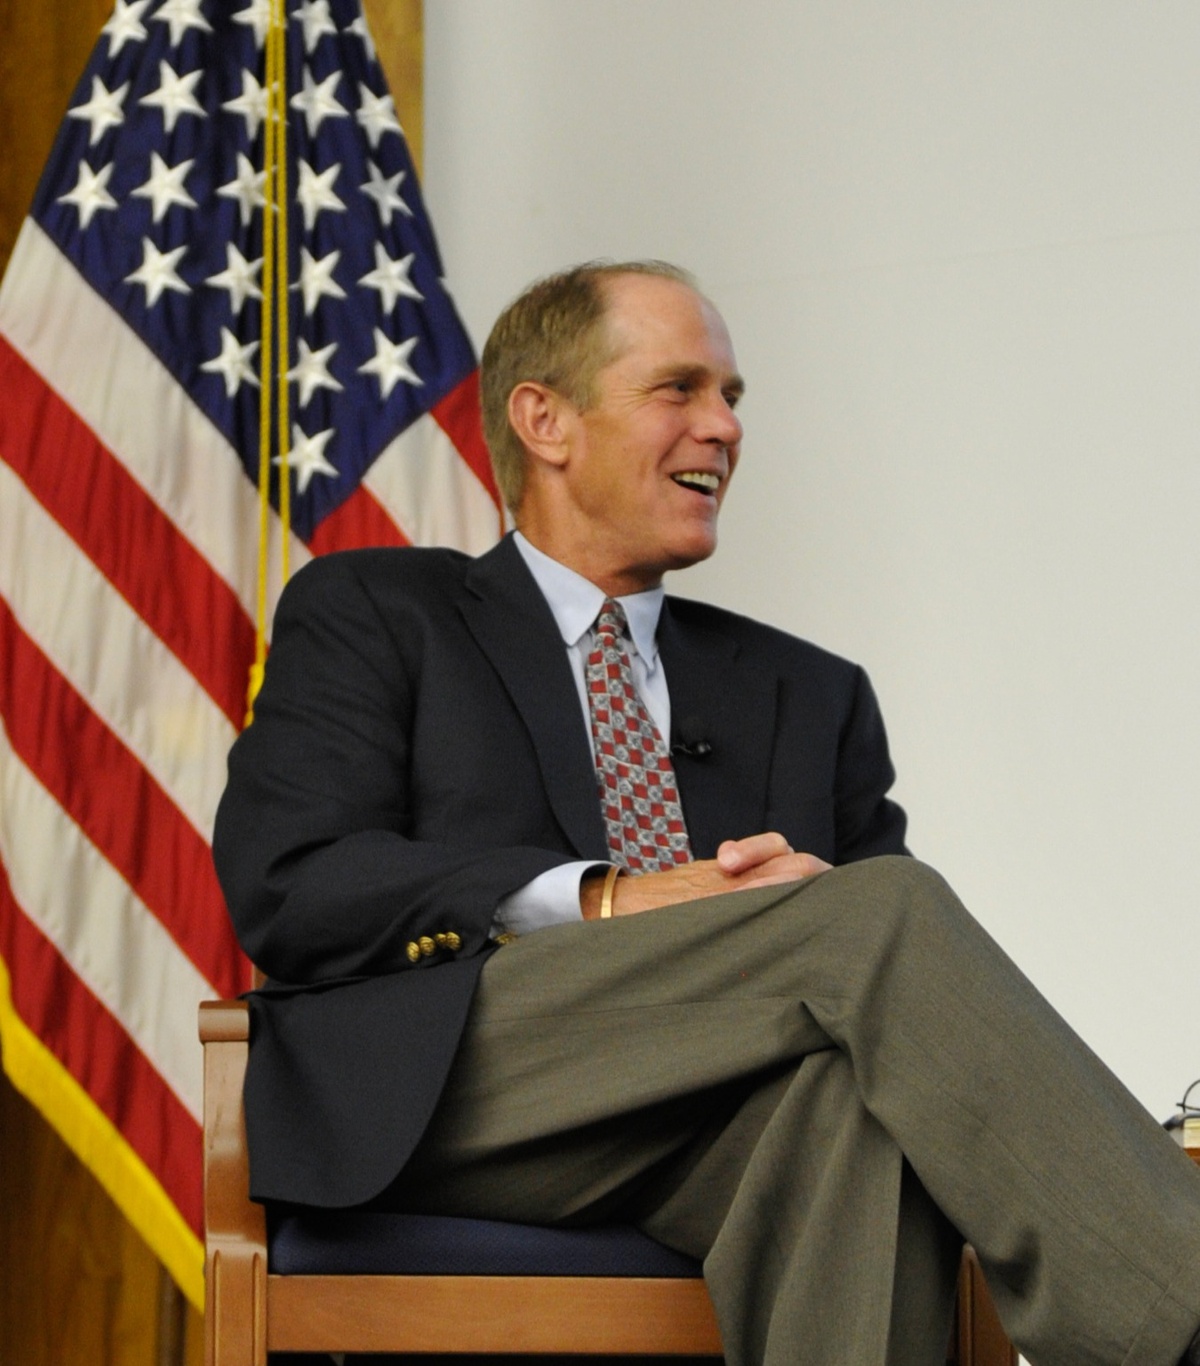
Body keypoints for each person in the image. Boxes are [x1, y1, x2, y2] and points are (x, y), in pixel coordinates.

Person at [213, 260, 1200, 1366]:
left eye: (731, 397)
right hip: (453, 1092)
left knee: (847, 1113)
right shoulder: (378, 611)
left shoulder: (810, 693)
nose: (724, 427)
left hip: (710, 1114)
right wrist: (609, 898)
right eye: (678, 389)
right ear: (544, 420)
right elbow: (293, 882)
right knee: (874, 914)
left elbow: (912, 1015)